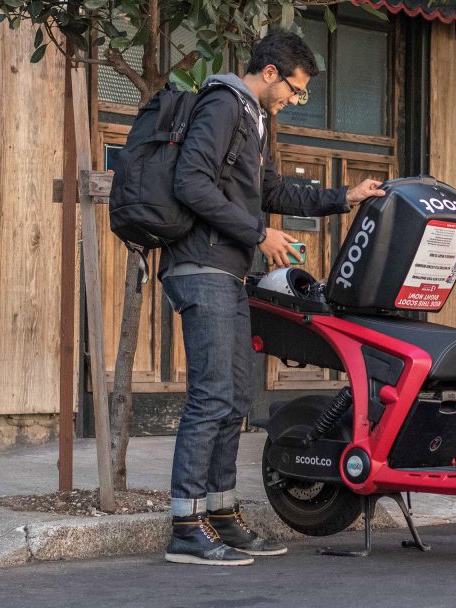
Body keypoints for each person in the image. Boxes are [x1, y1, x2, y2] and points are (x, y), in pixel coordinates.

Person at [160, 28, 385, 566]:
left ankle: (220, 514)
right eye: (294, 89)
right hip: (202, 268)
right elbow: (190, 182)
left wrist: (345, 197)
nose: (293, 99)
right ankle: (185, 526)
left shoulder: (255, 120)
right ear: (269, 74)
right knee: (210, 398)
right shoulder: (223, 105)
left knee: (234, 400)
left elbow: (271, 191)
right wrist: (260, 235)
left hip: (230, 273)